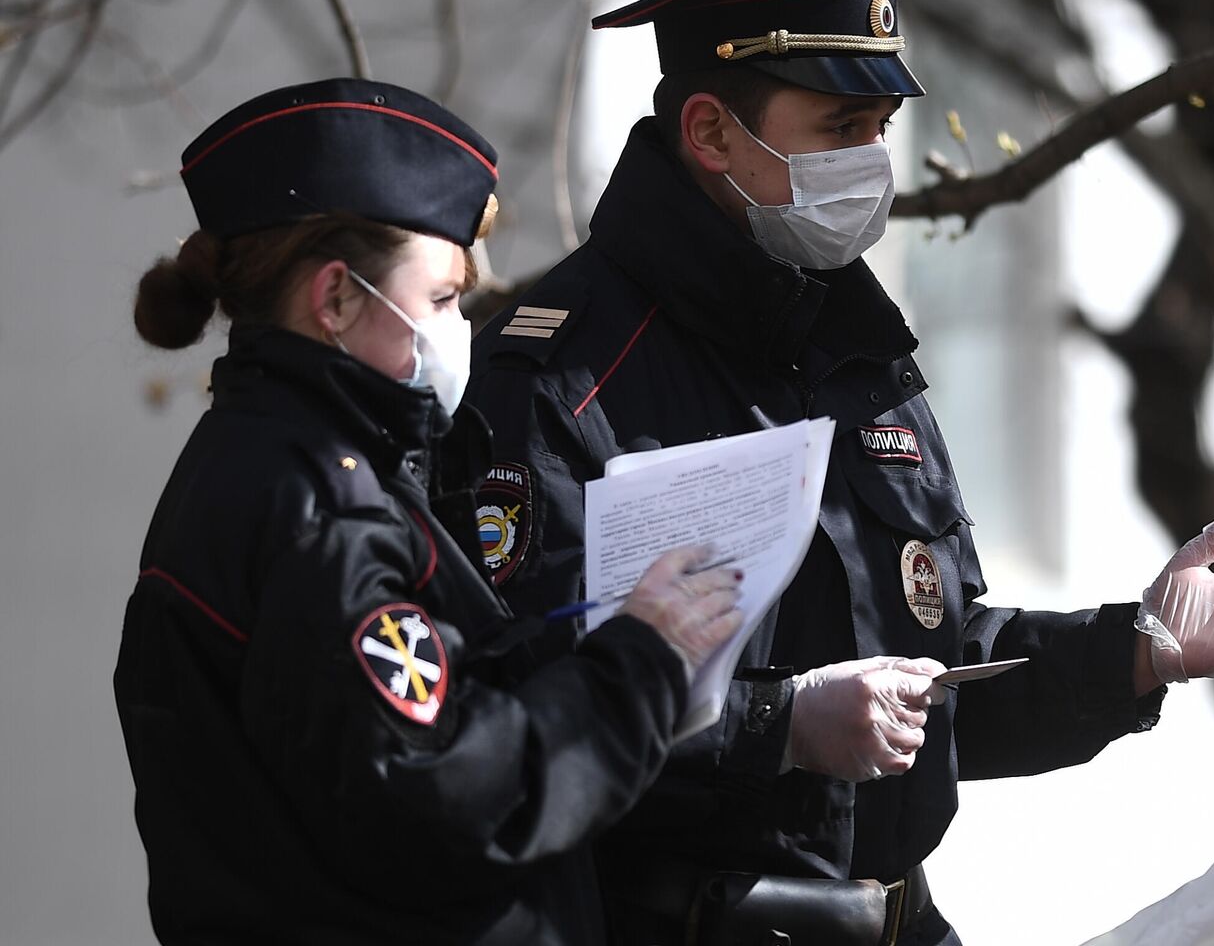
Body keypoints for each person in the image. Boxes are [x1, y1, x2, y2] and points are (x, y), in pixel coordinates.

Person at [464, 0, 1214, 946]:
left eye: (879, 129)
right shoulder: (564, 372)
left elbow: (933, 663)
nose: (871, 164)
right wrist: (776, 729)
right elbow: (521, 712)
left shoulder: (857, 349)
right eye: (839, 128)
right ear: (709, 132)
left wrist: (1137, 651)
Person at [114, 77, 745, 945]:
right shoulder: (321, 512)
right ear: (335, 299)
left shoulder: (308, 464)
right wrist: (646, 659)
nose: (460, 326)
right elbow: (450, 796)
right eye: (444, 298)